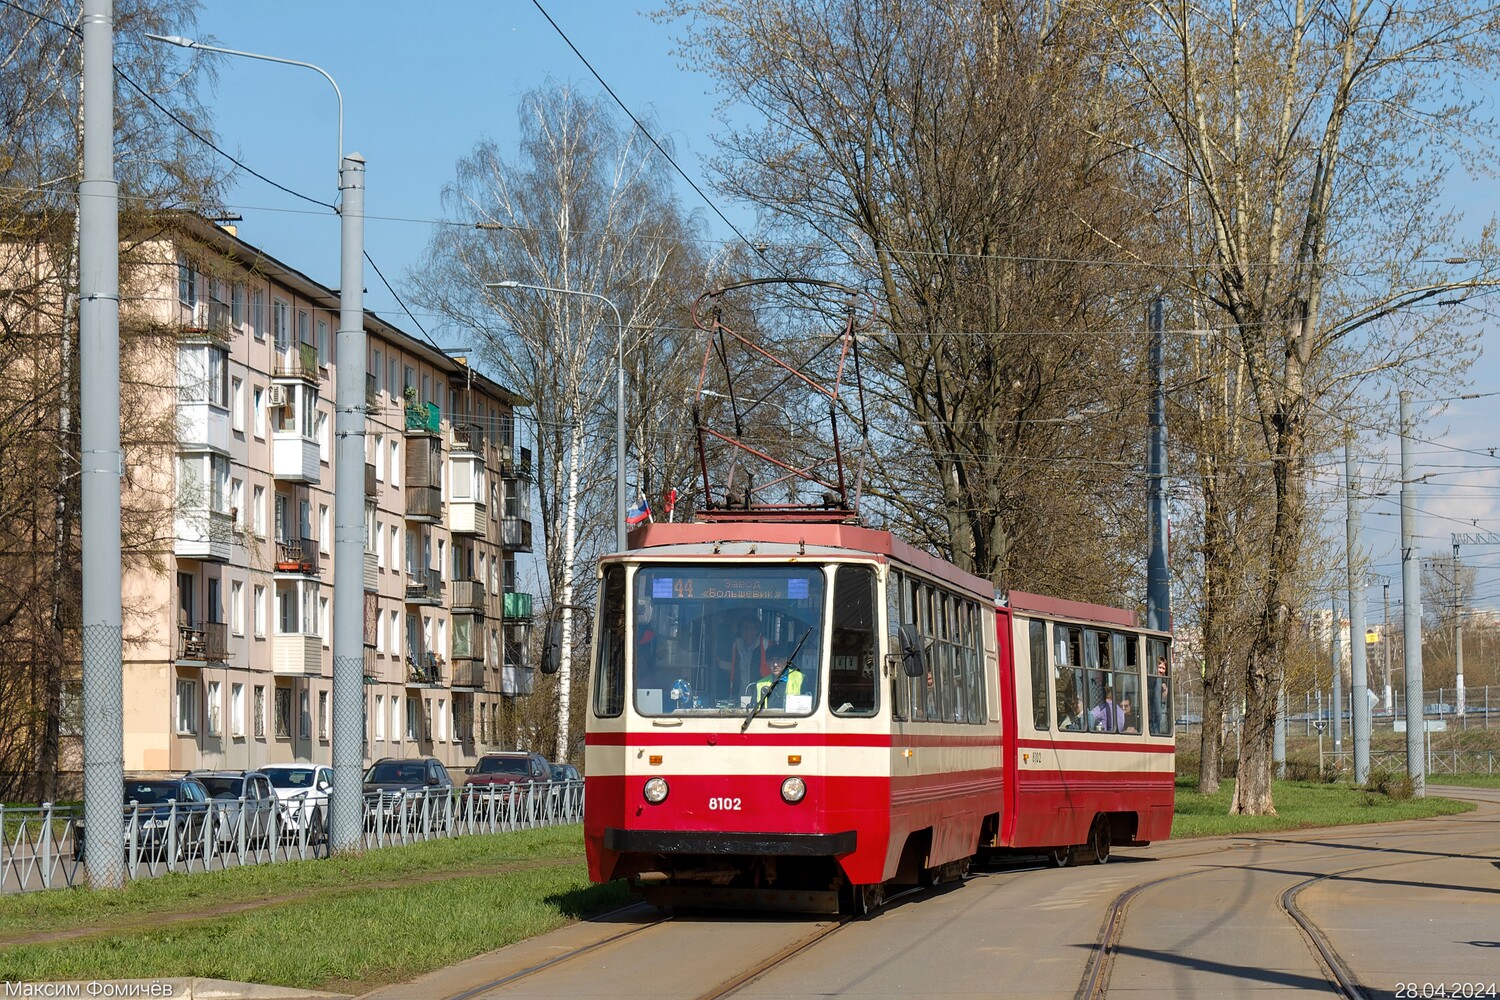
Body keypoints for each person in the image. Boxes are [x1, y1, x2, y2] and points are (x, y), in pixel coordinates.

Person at [719, 615, 771, 698]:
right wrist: (720, 664)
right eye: (745, 628)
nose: (748, 631)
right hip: (741, 693)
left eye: (752, 628)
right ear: (740, 630)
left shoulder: (765, 644)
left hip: (761, 694)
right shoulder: (736, 645)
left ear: (757, 630)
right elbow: (734, 667)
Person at [1149, 656, 1170, 735]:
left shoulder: (1165, 681)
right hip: (1152, 716)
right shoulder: (1151, 679)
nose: (1161, 671)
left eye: (1163, 668)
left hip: (1160, 718)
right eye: (1159, 667)